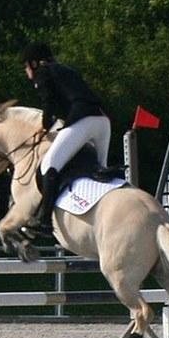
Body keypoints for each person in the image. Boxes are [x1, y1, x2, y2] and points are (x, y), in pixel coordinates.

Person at [21, 42, 111, 237]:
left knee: (49, 166)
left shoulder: (43, 73)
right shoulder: (67, 70)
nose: (26, 71)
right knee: (100, 173)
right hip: (103, 121)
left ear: (35, 64)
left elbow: (49, 103)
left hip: (83, 120)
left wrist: (44, 126)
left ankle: (44, 221)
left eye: (26, 66)